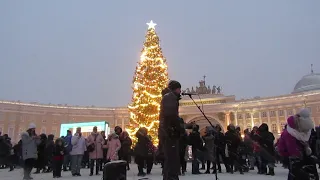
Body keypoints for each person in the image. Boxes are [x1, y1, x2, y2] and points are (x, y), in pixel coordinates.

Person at [277, 109, 319, 180]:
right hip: (308, 158)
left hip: (295, 161)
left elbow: (281, 149)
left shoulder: (287, 133)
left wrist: (288, 156)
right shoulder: (308, 130)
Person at [159, 80, 182, 180]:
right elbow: (171, 116)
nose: (180, 91)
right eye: (179, 88)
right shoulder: (170, 98)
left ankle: (170, 177)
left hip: (169, 132)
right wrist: (179, 128)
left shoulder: (170, 98)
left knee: (171, 159)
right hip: (170, 133)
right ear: (175, 89)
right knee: (172, 159)